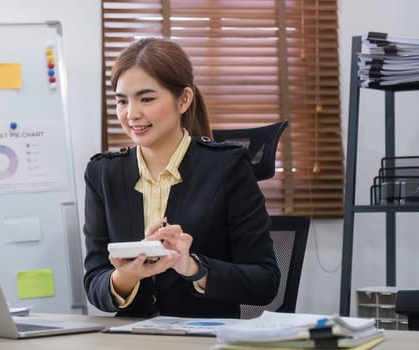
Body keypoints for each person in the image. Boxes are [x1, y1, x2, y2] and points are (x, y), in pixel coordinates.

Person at [82, 37, 279, 318]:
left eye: (146, 99)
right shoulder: (103, 174)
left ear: (184, 99)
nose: (132, 114)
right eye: (122, 101)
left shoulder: (227, 166)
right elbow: (94, 282)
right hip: (131, 339)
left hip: (206, 338)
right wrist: (125, 277)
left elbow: (265, 281)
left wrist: (192, 267)